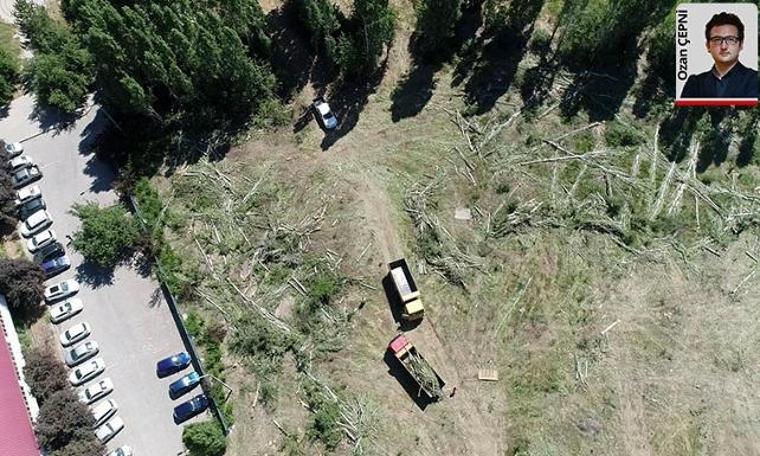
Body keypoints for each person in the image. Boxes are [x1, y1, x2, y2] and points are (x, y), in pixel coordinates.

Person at [680, 12, 758, 99]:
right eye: (717, 40)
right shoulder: (695, 83)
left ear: (741, 45)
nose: (724, 46)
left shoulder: (754, 79)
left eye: (731, 39)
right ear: (708, 46)